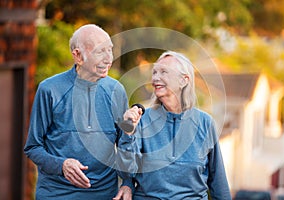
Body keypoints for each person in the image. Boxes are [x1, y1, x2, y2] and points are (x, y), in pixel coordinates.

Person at [24, 24, 132, 200]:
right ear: (78, 56)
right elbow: (33, 147)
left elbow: (126, 144)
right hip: (56, 194)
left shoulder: (116, 90)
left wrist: (128, 183)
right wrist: (62, 165)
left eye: (110, 50)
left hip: (105, 194)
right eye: (100, 52)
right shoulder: (49, 89)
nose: (108, 59)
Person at [117, 51, 232, 200]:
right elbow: (126, 171)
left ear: (184, 80)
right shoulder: (142, 120)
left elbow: (218, 180)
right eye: (154, 72)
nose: (155, 78)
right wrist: (128, 133)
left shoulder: (205, 123)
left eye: (164, 72)